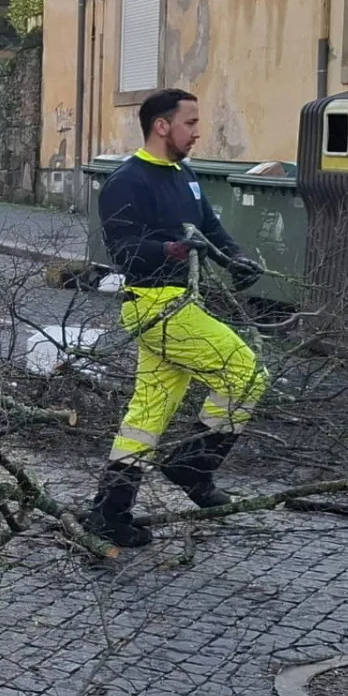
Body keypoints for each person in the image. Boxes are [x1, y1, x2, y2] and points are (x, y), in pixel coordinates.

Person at [88, 88, 267, 549]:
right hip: (155, 306)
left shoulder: (184, 175)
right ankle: (192, 466)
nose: (198, 131)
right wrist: (167, 250)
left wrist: (236, 258)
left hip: (180, 304)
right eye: (190, 122)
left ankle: (108, 512)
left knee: (147, 413)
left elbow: (208, 227)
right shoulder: (127, 181)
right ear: (162, 126)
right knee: (246, 374)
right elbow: (122, 249)